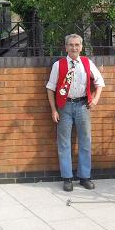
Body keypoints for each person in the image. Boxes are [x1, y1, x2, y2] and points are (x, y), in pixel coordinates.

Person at [46, 34, 106, 191]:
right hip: (64, 107)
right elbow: (50, 88)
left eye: (77, 45)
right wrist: (53, 110)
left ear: (81, 47)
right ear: (65, 47)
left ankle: (84, 177)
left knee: (85, 141)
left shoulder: (86, 63)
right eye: (71, 45)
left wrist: (96, 98)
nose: (74, 47)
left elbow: (99, 82)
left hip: (82, 106)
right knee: (64, 143)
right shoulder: (58, 65)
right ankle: (67, 178)